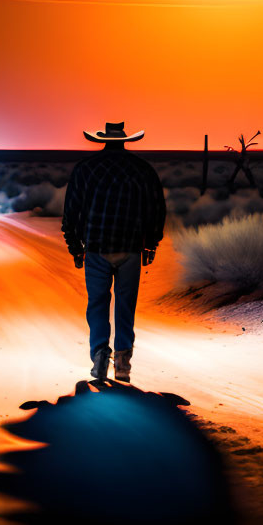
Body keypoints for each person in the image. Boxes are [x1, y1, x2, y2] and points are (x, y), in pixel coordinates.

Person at [62, 121, 166, 383]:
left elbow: (71, 212)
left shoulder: (85, 169)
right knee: (125, 305)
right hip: (130, 247)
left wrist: (75, 246)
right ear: (125, 141)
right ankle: (122, 361)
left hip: (96, 247)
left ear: (103, 141)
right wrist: (151, 244)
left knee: (97, 303)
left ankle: (99, 356)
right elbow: (156, 209)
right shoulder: (142, 169)